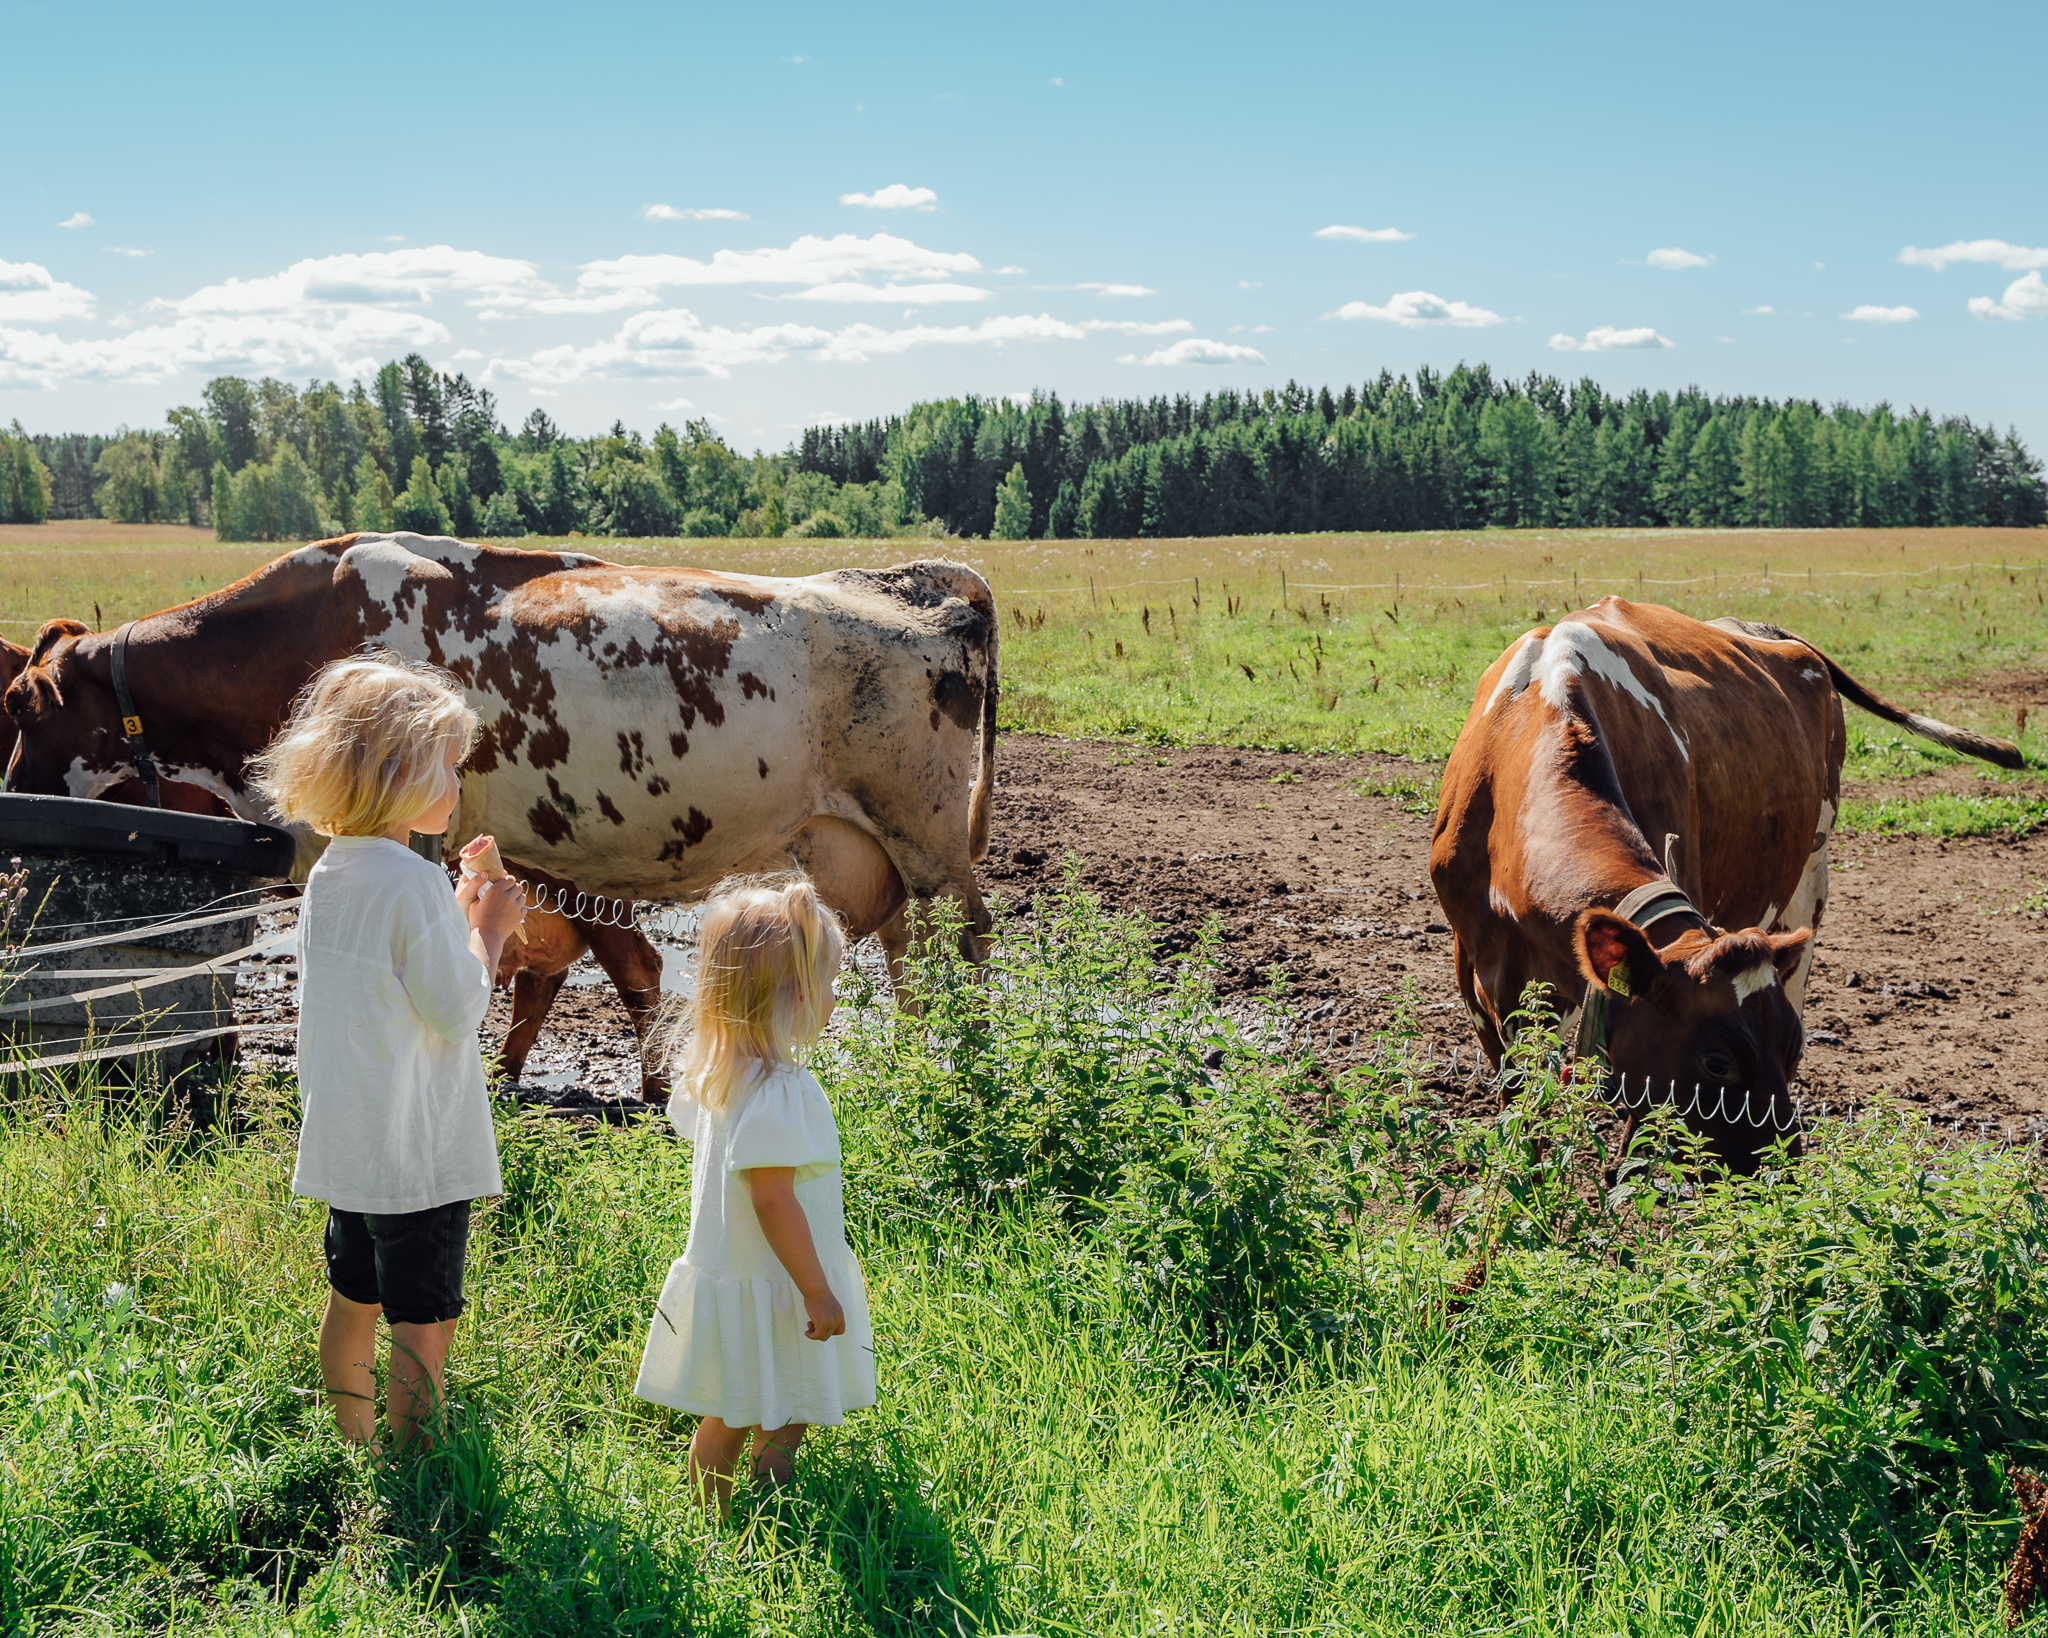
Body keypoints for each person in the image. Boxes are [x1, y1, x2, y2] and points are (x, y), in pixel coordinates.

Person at [251, 651, 525, 1455]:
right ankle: (412, 1476)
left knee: (353, 1302)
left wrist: (454, 913)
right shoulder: (409, 882)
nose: (457, 784)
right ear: (401, 773)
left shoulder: (333, 873)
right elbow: (457, 1006)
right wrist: (487, 931)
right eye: (446, 767)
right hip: (417, 1156)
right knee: (423, 1327)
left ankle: (353, 1440)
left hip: (351, 1144)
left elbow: (385, 972)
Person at [634, 875, 876, 1511]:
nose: (832, 999)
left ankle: (711, 1521)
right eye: (828, 985)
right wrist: (818, 1288)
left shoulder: (715, 1075)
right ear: (798, 994)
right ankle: (772, 1516)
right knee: (789, 1410)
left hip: (738, 1276)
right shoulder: (781, 1089)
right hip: (783, 1285)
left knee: (731, 1408)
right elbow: (773, 1199)